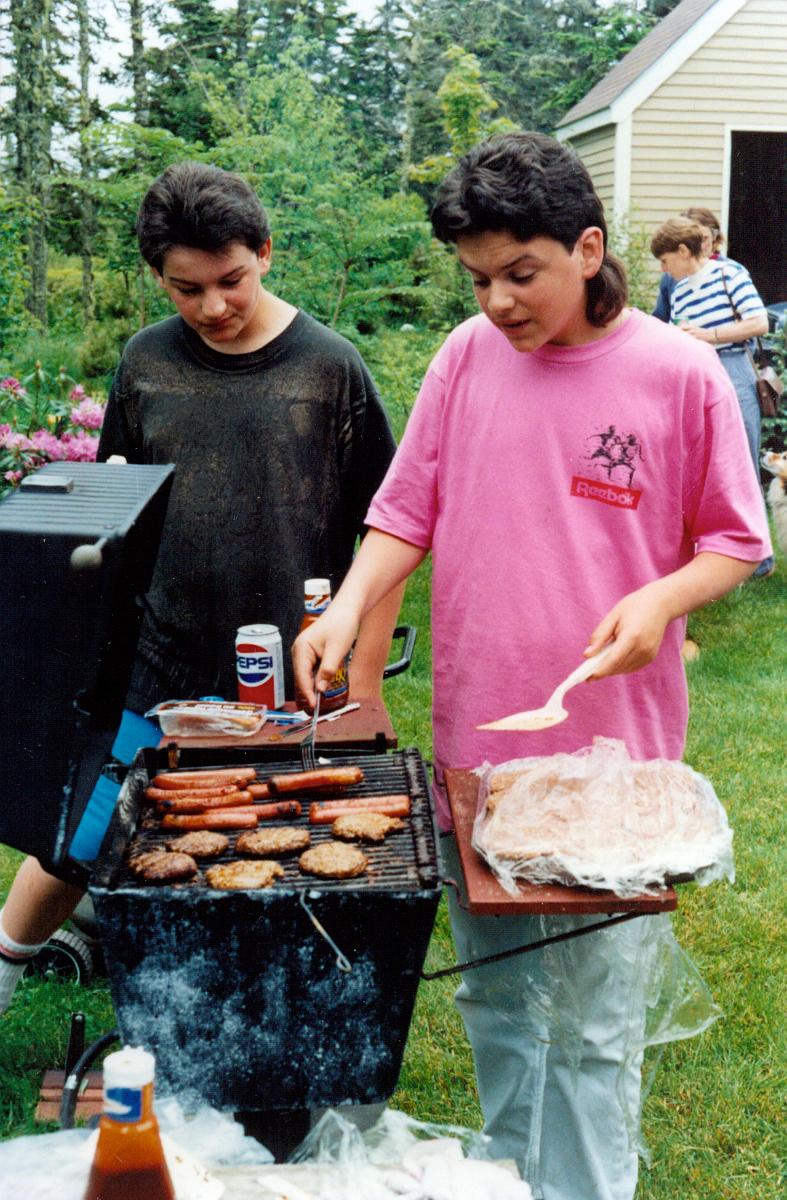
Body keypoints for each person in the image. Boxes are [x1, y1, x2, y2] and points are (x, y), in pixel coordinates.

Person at [293, 132, 772, 1200]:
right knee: (500, 1001)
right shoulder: (467, 356)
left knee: (597, 1020)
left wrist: (659, 599)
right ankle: (514, 1182)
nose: (498, 301)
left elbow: (735, 542)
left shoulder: (678, 371)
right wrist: (349, 610)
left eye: (520, 273)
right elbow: (404, 512)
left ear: (588, 248)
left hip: (613, 757)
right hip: (480, 745)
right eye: (477, 279)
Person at [0, 162, 403, 1015]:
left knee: (276, 843)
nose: (215, 306)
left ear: (265, 252)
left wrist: (363, 682)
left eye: (232, 280)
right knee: (81, 832)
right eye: (188, 289)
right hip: (159, 660)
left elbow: (390, 531)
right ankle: (5, 969)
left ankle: (265, 1005)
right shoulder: (146, 363)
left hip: (293, 673)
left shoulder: (329, 368)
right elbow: (117, 505)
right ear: (158, 276)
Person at [651, 215, 774, 577]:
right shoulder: (681, 290)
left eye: (665, 260)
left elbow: (759, 322)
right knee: (704, 469)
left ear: (683, 251)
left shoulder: (728, 274)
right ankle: (717, 554)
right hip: (697, 375)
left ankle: (761, 560)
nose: (663, 269)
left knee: (741, 464)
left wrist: (708, 334)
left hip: (733, 370)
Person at [651, 205, 731, 322]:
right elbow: (660, 321)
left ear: (715, 237)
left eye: (703, 239)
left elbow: (753, 322)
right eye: (692, 240)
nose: (698, 246)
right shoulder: (670, 278)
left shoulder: (731, 273)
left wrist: (711, 332)